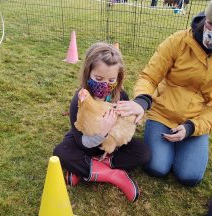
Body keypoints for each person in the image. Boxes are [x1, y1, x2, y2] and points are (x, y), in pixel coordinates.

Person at [116, 0, 212, 186]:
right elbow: (150, 76)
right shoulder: (178, 40)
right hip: (162, 113)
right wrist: (142, 101)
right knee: (156, 168)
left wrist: (192, 127)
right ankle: (163, 142)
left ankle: (186, 144)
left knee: (189, 177)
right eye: (210, 22)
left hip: (196, 119)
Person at [53, 42, 150, 202]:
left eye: (111, 79)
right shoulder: (80, 99)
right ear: (88, 73)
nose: (105, 84)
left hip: (111, 147)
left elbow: (124, 131)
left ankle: (86, 169)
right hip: (86, 145)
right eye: (98, 78)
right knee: (61, 152)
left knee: (144, 153)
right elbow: (81, 142)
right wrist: (102, 131)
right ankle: (113, 175)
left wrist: (134, 115)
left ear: (118, 77)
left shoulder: (121, 96)